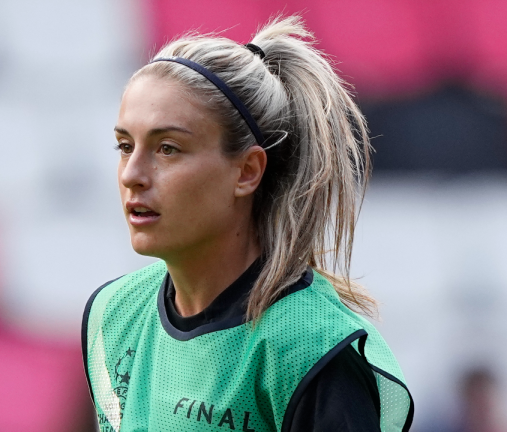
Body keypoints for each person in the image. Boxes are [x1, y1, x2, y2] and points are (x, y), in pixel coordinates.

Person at [81, 15, 414, 432]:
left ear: (247, 171)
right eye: (125, 145)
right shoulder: (113, 314)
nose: (132, 173)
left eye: (168, 149)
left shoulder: (309, 348)